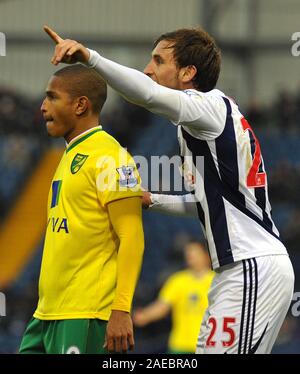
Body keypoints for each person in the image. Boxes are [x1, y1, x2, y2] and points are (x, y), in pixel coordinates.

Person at [44, 25, 295, 354]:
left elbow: (146, 95)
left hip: (251, 266)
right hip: (240, 270)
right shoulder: (206, 122)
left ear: (189, 72)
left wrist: (91, 58)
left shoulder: (208, 107)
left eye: (158, 61)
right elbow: (208, 204)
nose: (149, 69)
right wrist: (154, 199)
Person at [19, 64, 144, 354]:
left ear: (80, 105)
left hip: (85, 313)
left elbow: (132, 237)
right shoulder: (70, 153)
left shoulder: (111, 156)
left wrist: (121, 310)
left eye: (52, 97)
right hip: (47, 313)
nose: (42, 107)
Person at [133, 241, 214, 353]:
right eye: (189, 253)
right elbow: (162, 306)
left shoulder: (217, 281)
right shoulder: (178, 280)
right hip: (180, 345)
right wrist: (144, 315)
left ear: (206, 255)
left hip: (208, 346)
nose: (191, 256)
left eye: (195, 253)